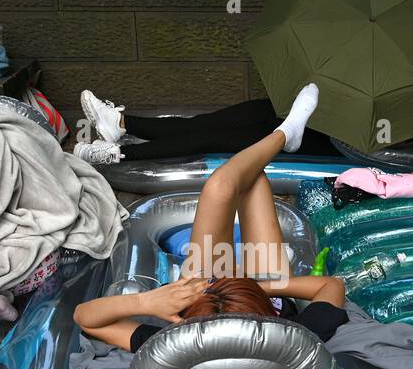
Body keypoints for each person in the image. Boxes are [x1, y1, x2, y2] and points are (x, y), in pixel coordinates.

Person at [74, 84, 350, 352]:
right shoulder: (294, 339)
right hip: (258, 292)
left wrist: (147, 302)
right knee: (250, 180)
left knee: (225, 185)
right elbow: (331, 285)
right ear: (269, 319)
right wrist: (253, 288)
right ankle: (285, 135)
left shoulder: (177, 344)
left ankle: (283, 135)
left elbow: (85, 317)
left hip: (213, 294)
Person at [72, 90, 343, 164]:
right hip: (296, 112)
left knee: (210, 139)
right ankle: (121, 123)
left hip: (321, 139)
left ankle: (117, 155)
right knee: (203, 124)